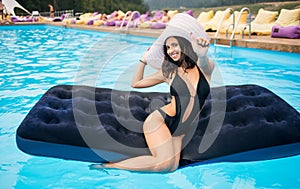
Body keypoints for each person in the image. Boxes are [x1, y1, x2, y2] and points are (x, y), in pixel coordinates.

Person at [91, 13, 214, 172]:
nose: (170, 50)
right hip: (161, 120)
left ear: (184, 45)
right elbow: (136, 83)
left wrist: (202, 55)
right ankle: (108, 166)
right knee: (163, 164)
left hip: (180, 131)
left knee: (171, 167)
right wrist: (143, 60)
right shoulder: (169, 72)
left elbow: (203, 61)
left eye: (174, 45)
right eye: (167, 48)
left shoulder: (205, 67)